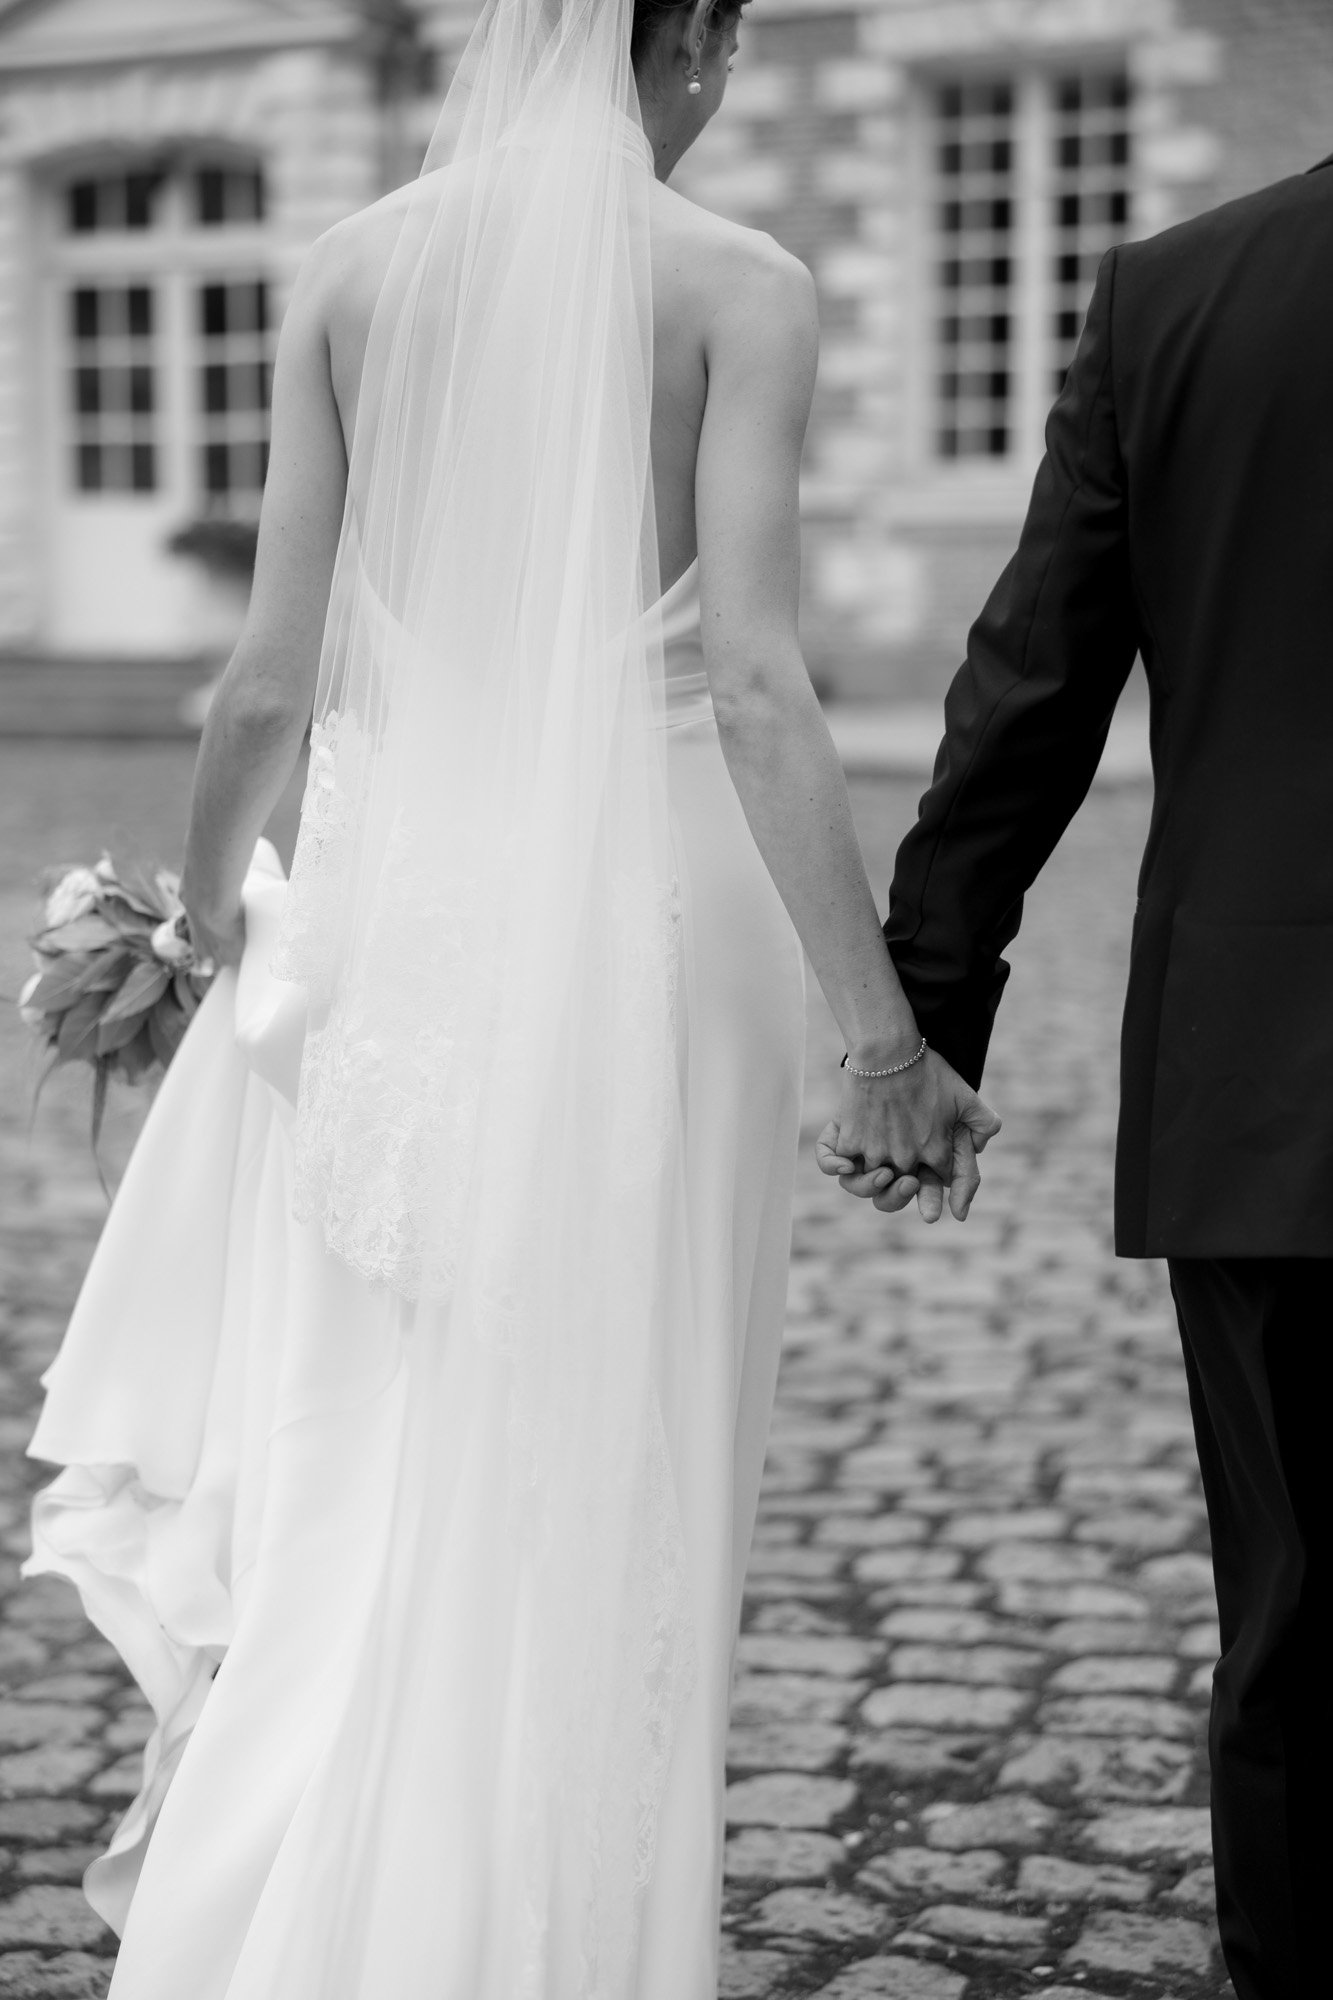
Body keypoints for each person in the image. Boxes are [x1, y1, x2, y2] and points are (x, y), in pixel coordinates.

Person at [23, 1, 997, 1993]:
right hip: (660, 929)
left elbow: (265, 686)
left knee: (380, 1433)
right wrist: (879, 1037)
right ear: (696, 37)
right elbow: (758, 687)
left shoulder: (350, 273)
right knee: (628, 1438)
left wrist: (198, 933)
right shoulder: (740, 286)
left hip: (394, 929)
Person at [839, 151, 1333, 2000]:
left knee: (1299, 1616)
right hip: (1274, 1074)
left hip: (1275, 1062)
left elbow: (1033, 679)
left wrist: (919, 1016)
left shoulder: (1180, 297)